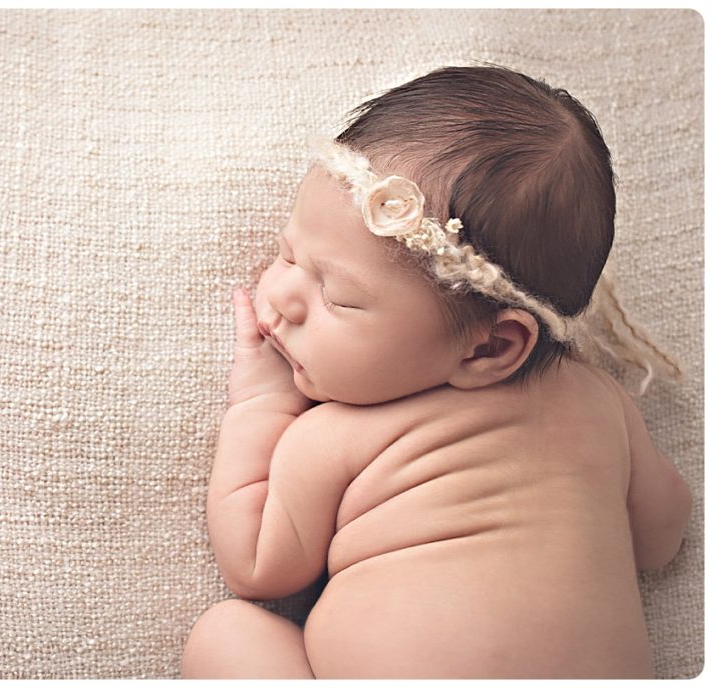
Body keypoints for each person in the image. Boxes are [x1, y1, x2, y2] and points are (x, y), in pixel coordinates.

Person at [181, 64, 691, 679]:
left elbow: (257, 567)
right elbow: (662, 539)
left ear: (489, 347)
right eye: (289, 254)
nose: (285, 297)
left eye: (338, 297)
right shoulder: (602, 404)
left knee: (225, 632)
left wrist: (260, 404)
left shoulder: (338, 438)